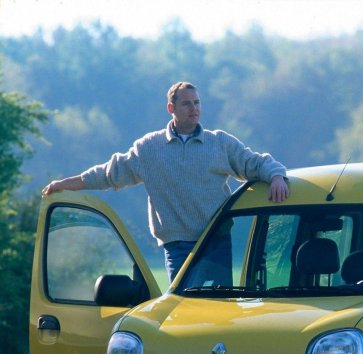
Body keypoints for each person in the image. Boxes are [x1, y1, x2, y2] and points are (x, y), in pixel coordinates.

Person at [41, 81, 290, 283]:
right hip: (177, 245)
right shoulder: (149, 148)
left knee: (219, 313)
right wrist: (65, 184)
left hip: (216, 240)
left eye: (197, 103)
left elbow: (255, 163)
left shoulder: (220, 143)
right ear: (171, 108)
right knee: (182, 312)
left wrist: (276, 176)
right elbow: (108, 173)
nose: (194, 109)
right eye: (186, 104)